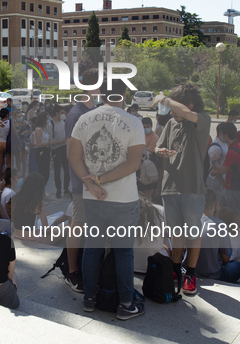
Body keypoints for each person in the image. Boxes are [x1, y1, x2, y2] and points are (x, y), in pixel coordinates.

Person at [70, 74, 145, 319]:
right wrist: (100, 181)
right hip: (123, 199)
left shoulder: (83, 118)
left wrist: (91, 185)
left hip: (92, 198)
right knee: (123, 251)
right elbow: (133, 164)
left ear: (101, 93)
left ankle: (89, 298)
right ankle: (125, 304)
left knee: (92, 248)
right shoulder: (133, 122)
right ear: (124, 95)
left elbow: (73, 157)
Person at [153, 82, 211, 296]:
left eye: (174, 107)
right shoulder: (170, 124)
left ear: (189, 105)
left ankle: (191, 275)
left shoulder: (202, 119)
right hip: (170, 187)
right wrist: (161, 152)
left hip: (193, 187)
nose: (170, 112)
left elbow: (187, 114)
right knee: (176, 233)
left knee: (193, 232)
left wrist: (165, 99)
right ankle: (176, 270)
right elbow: (158, 146)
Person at [63, 68, 100, 293]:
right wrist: (87, 182)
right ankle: (72, 271)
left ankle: (85, 268)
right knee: (77, 225)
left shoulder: (94, 111)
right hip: (83, 183)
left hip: (96, 181)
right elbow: (71, 153)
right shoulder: (76, 115)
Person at [196, 189, 240, 283]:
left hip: (192, 272)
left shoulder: (189, 223)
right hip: (215, 275)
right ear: (215, 205)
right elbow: (226, 258)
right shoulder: (220, 225)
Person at [212, 122, 240, 216]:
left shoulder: (232, 152)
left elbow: (223, 170)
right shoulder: (238, 145)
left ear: (225, 135)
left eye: (222, 134)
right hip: (230, 186)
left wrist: (214, 161)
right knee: (220, 209)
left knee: (234, 216)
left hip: (234, 188)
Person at [134, 193, 168, 274]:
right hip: (155, 265)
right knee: (165, 241)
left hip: (132, 265)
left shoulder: (128, 211)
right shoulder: (161, 210)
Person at [49, 105, 69, 199]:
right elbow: (50, 139)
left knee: (67, 170)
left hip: (65, 147)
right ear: (56, 113)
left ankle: (66, 189)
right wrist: (57, 142)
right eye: (61, 113)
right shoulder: (51, 124)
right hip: (56, 149)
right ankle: (58, 190)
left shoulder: (63, 122)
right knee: (57, 171)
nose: (63, 115)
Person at [33, 110, 53, 185]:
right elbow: (39, 144)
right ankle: (41, 190)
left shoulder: (45, 128)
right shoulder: (39, 129)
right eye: (47, 118)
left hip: (46, 150)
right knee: (43, 172)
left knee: (46, 172)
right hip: (41, 151)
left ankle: (43, 190)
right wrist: (50, 143)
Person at [0, 108, 11, 181]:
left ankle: (0, 178)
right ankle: (7, 178)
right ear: (7, 115)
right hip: (8, 143)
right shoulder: (10, 122)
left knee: (0, 162)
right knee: (8, 163)